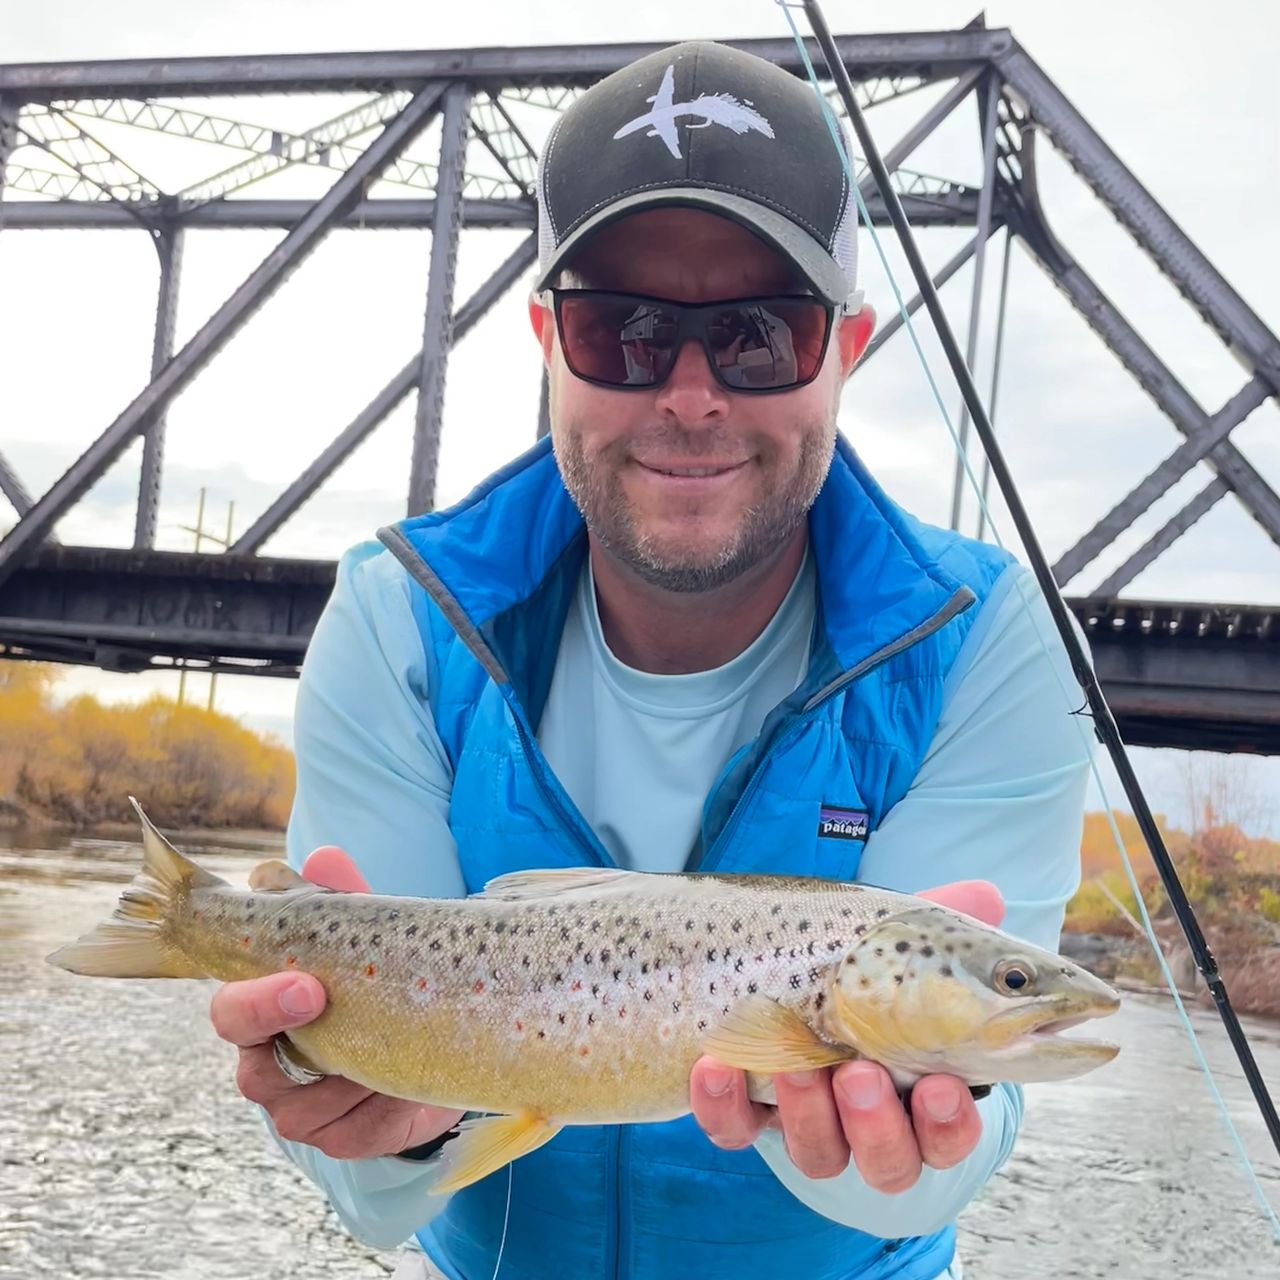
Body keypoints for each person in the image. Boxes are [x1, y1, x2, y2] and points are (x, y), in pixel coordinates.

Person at [209, 39, 1093, 1280]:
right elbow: (372, 1187)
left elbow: (943, 1156)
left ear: (845, 345)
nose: (688, 395)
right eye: (621, 330)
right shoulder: (398, 617)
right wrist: (375, 1115)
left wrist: (886, 1142)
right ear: (545, 337)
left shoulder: (982, 641)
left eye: (758, 334)